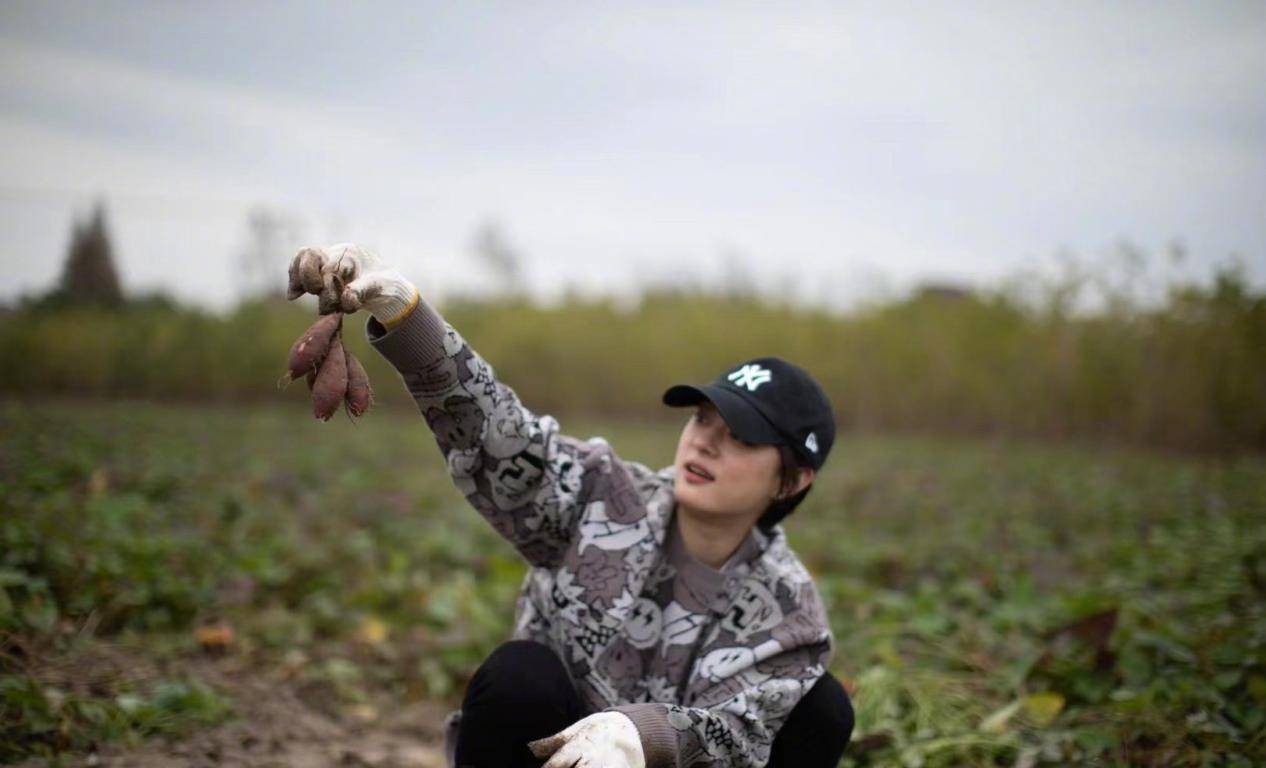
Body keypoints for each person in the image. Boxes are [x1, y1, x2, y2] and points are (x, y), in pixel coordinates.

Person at [287, 244, 854, 768]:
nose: (705, 441)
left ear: (791, 481)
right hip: (548, 758)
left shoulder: (791, 616)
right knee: (519, 674)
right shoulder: (603, 496)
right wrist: (411, 321)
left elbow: (742, 731)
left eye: (741, 436)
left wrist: (640, 736)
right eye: (702, 418)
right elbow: (501, 438)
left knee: (821, 709)